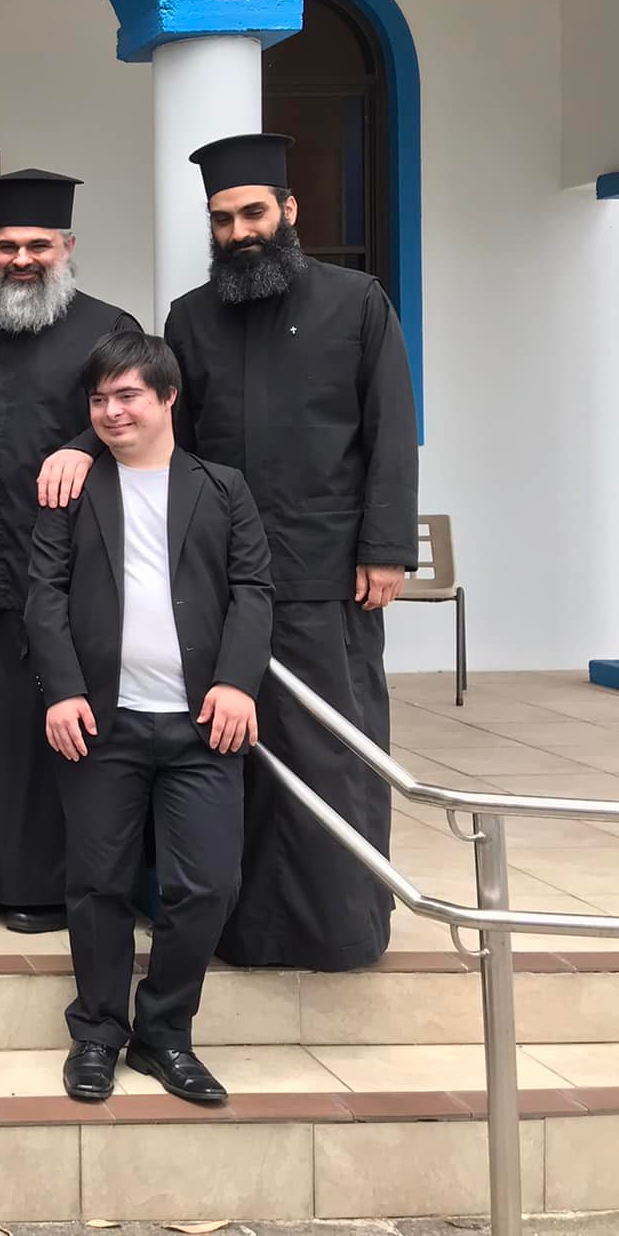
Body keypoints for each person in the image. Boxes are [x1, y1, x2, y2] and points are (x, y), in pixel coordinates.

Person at [39, 133, 418, 971]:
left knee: (328, 746)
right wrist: (79, 445)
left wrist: (386, 548)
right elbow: (152, 413)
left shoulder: (358, 302)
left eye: (254, 212)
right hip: (213, 577)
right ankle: (238, 928)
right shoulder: (190, 318)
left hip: (328, 573)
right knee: (224, 750)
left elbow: (393, 431)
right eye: (223, 218)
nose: (240, 230)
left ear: (288, 212)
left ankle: (339, 928)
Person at [26, 330, 272, 1106]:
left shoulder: (222, 487)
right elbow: (44, 595)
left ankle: (165, 1034)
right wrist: (62, 688)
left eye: (127, 395)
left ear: (168, 398)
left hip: (202, 726)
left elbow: (254, 589)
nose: (110, 410)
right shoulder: (74, 489)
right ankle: (98, 1034)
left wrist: (237, 681)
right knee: (98, 885)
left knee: (206, 886)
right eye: (98, 399)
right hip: (102, 722)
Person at [0, 170, 140, 933]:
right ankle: (1, 881)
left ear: (67, 247)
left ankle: (76, 888)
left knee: (76, 737)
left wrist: (81, 445)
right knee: (1, 737)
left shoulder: (112, 329)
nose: (22, 258)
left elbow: (141, 417)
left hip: (82, 575)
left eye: (38, 244)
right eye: (8, 246)